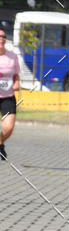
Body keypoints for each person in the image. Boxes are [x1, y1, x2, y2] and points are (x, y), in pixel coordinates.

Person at [0, 28, 20, 161]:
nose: (1, 38)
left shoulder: (13, 56)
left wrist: (16, 83)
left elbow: (16, 75)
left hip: (7, 96)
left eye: (4, 36)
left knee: (9, 127)